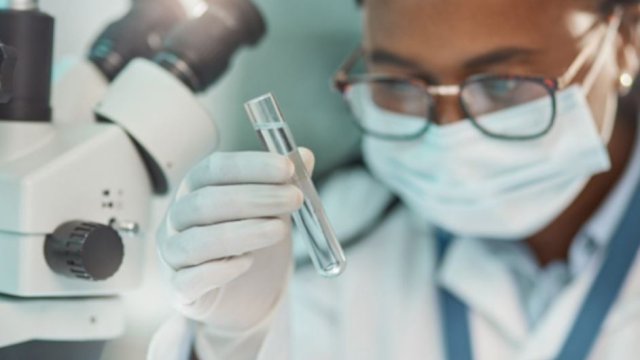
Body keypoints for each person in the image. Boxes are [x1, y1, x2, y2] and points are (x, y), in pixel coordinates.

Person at [149, 0, 640, 358]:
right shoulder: (324, 242)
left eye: (502, 84)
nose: (448, 134)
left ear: (625, 43)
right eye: (399, 84)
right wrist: (228, 343)